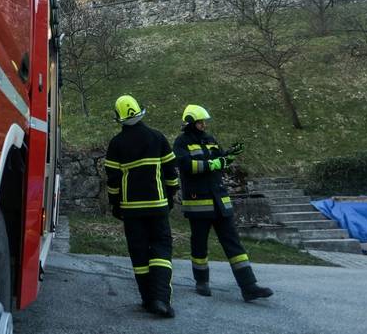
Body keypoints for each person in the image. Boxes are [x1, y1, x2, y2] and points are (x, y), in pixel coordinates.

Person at [173, 104, 274, 302]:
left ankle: (249, 286)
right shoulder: (181, 142)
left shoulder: (210, 140)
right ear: (192, 122)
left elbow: (221, 163)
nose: (204, 125)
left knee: (234, 244)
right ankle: (202, 282)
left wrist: (229, 155)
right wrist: (211, 164)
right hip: (199, 204)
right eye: (201, 122)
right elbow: (185, 165)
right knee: (199, 245)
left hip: (220, 202)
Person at [104, 95, 179, 318]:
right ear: (139, 111)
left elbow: (113, 180)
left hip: (132, 210)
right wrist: (171, 195)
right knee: (161, 250)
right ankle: (161, 299)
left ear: (118, 117)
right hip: (158, 206)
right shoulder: (157, 137)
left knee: (138, 253)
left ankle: (148, 299)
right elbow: (171, 173)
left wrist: (116, 205)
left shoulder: (116, 144)